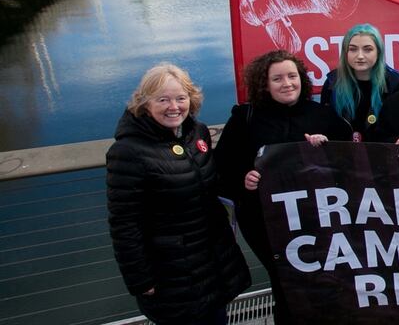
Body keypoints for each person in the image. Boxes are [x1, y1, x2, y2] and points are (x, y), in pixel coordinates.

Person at [107, 64, 250, 325]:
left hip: (211, 262)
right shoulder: (128, 152)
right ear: (145, 103)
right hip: (171, 274)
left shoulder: (198, 133)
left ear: (191, 99)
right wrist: (140, 278)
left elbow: (215, 184)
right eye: (163, 99)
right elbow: (124, 223)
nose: (174, 106)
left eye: (181, 98)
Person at [215, 50, 349, 324]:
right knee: (284, 281)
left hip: (316, 219)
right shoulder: (245, 118)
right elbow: (221, 168)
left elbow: (349, 162)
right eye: (277, 78)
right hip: (264, 221)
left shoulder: (321, 115)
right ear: (264, 84)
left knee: (322, 278)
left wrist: (328, 148)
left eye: (292, 76)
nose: (287, 83)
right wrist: (244, 178)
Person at [320, 23, 399, 141]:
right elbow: (326, 127)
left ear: (378, 52)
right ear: (345, 53)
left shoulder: (396, 84)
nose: (360, 56)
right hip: (344, 156)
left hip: (384, 156)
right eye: (353, 49)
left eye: (368, 49)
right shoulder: (332, 83)